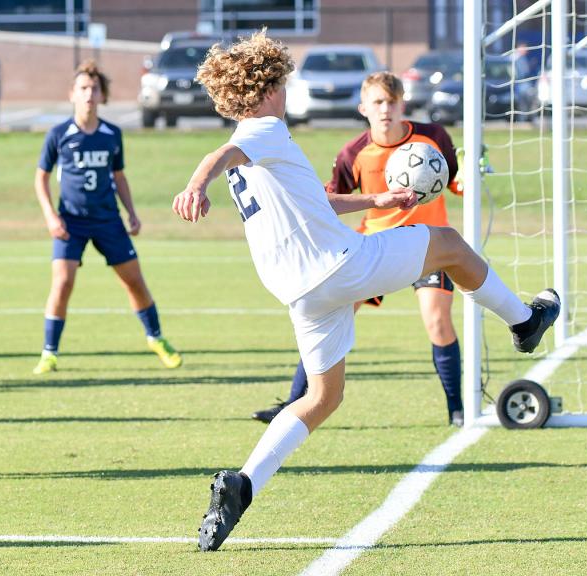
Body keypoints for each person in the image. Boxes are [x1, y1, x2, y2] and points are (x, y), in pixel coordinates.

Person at [172, 31, 559, 552]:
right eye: (282, 84)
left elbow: (319, 202)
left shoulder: (264, 146)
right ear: (266, 89)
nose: (286, 94)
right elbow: (222, 153)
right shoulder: (263, 131)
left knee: (323, 397)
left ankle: (243, 486)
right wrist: (196, 183)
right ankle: (523, 321)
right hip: (336, 267)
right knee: (447, 242)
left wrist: (376, 198)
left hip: (301, 292)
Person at [251, 71, 465, 428]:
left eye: (392, 102)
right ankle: (292, 403)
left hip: (430, 244)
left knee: (438, 322)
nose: (386, 110)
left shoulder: (434, 137)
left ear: (403, 105)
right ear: (363, 107)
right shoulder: (353, 152)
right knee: (331, 314)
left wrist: (467, 181)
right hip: (374, 248)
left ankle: (457, 410)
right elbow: (333, 197)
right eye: (378, 102)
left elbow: (453, 180)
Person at [32, 60, 182, 375]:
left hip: (108, 221)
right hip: (70, 222)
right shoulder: (59, 134)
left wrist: (132, 213)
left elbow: (119, 176)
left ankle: (155, 338)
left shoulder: (111, 134)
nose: (89, 94)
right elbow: (40, 178)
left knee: (134, 282)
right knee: (62, 282)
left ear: (102, 95)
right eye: (83, 88)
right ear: (72, 93)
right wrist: (50, 216)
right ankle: (49, 353)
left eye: (94, 89)